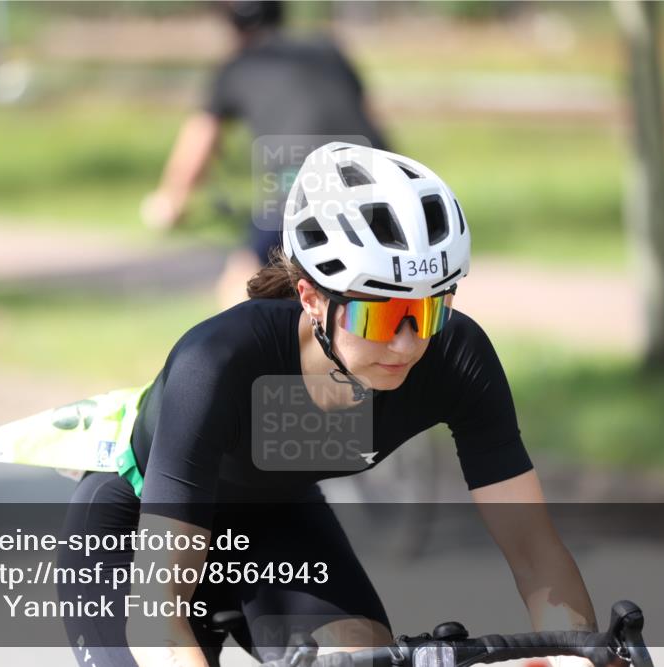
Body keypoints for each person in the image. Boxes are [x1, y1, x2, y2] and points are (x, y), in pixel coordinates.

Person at [54, 143, 599, 667]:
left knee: (365, 657)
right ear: (312, 297)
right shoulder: (217, 362)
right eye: (380, 317)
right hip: (137, 526)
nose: (408, 343)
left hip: (274, 517)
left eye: (431, 311)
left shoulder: (457, 357)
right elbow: (156, 615)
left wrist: (582, 654)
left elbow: (534, 552)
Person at [140, 0, 388, 308]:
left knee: (243, 282)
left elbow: (199, 141)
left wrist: (171, 200)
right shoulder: (327, 49)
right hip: (375, 178)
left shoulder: (239, 65)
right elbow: (370, 117)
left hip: (302, 183)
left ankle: (240, 356)